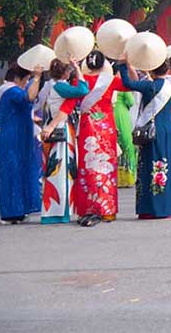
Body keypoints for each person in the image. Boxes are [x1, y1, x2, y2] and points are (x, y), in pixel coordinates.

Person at [117, 56, 171, 219]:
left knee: (147, 165)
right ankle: (166, 208)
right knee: (165, 166)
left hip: (150, 131)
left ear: (152, 70)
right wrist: (166, 120)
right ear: (167, 70)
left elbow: (128, 84)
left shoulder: (148, 86)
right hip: (167, 130)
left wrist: (123, 65)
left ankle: (148, 208)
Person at [72, 51, 128, 224]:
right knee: (105, 167)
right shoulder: (110, 81)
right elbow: (131, 84)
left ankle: (87, 208)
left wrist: (75, 69)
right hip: (106, 129)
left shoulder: (79, 81)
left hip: (88, 128)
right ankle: (107, 209)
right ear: (104, 64)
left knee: (88, 166)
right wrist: (127, 64)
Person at [37, 59, 89, 224]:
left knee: (57, 169)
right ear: (66, 72)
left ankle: (58, 209)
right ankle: (58, 210)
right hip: (61, 130)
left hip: (55, 128)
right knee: (61, 169)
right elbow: (83, 89)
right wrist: (78, 69)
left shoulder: (53, 86)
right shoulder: (61, 87)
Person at [0, 64, 43, 224]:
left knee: (22, 169)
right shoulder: (11, 91)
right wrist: (37, 76)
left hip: (20, 134)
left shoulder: (9, 90)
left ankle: (20, 208)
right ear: (18, 78)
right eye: (26, 80)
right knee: (13, 171)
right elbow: (29, 98)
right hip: (13, 136)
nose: (27, 83)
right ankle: (11, 211)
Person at [114, 90, 137, 188]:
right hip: (121, 113)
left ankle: (116, 177)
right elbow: (131, 101)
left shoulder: (107, 82)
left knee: (115, 144)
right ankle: (128, 177)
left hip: (111, 113)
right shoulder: (121, 85)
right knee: (127, 144)